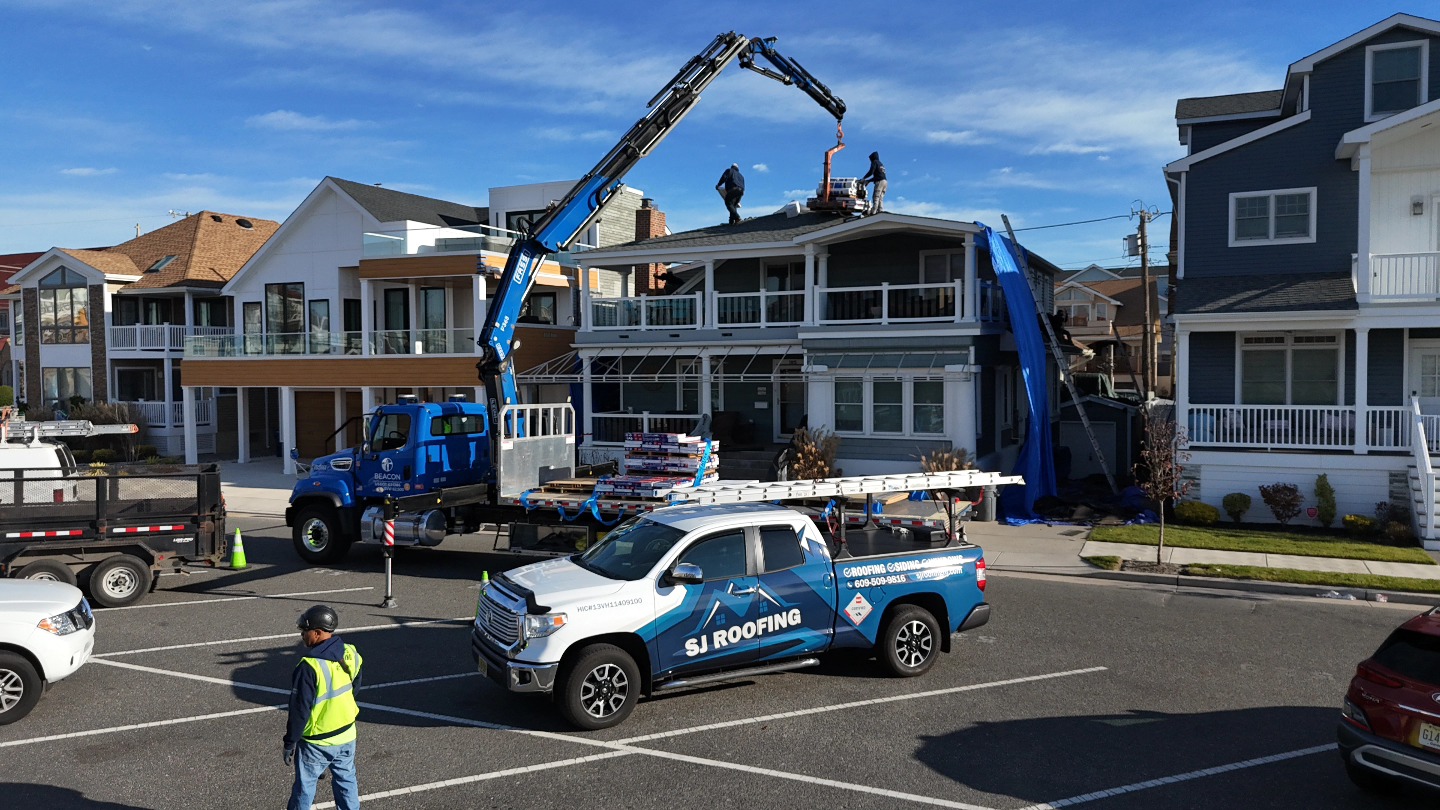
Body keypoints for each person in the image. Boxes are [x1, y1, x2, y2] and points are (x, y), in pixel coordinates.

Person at [285, 605, 363, 810]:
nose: (302, 634)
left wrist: (290, 741)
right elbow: (355, 686)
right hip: (347, 734)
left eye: (305, 630)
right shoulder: (350, 653)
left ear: (318, 633)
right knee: (346, 782)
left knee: (305, 787)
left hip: (317, 742)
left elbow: (299, 710)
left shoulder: (309, 666)